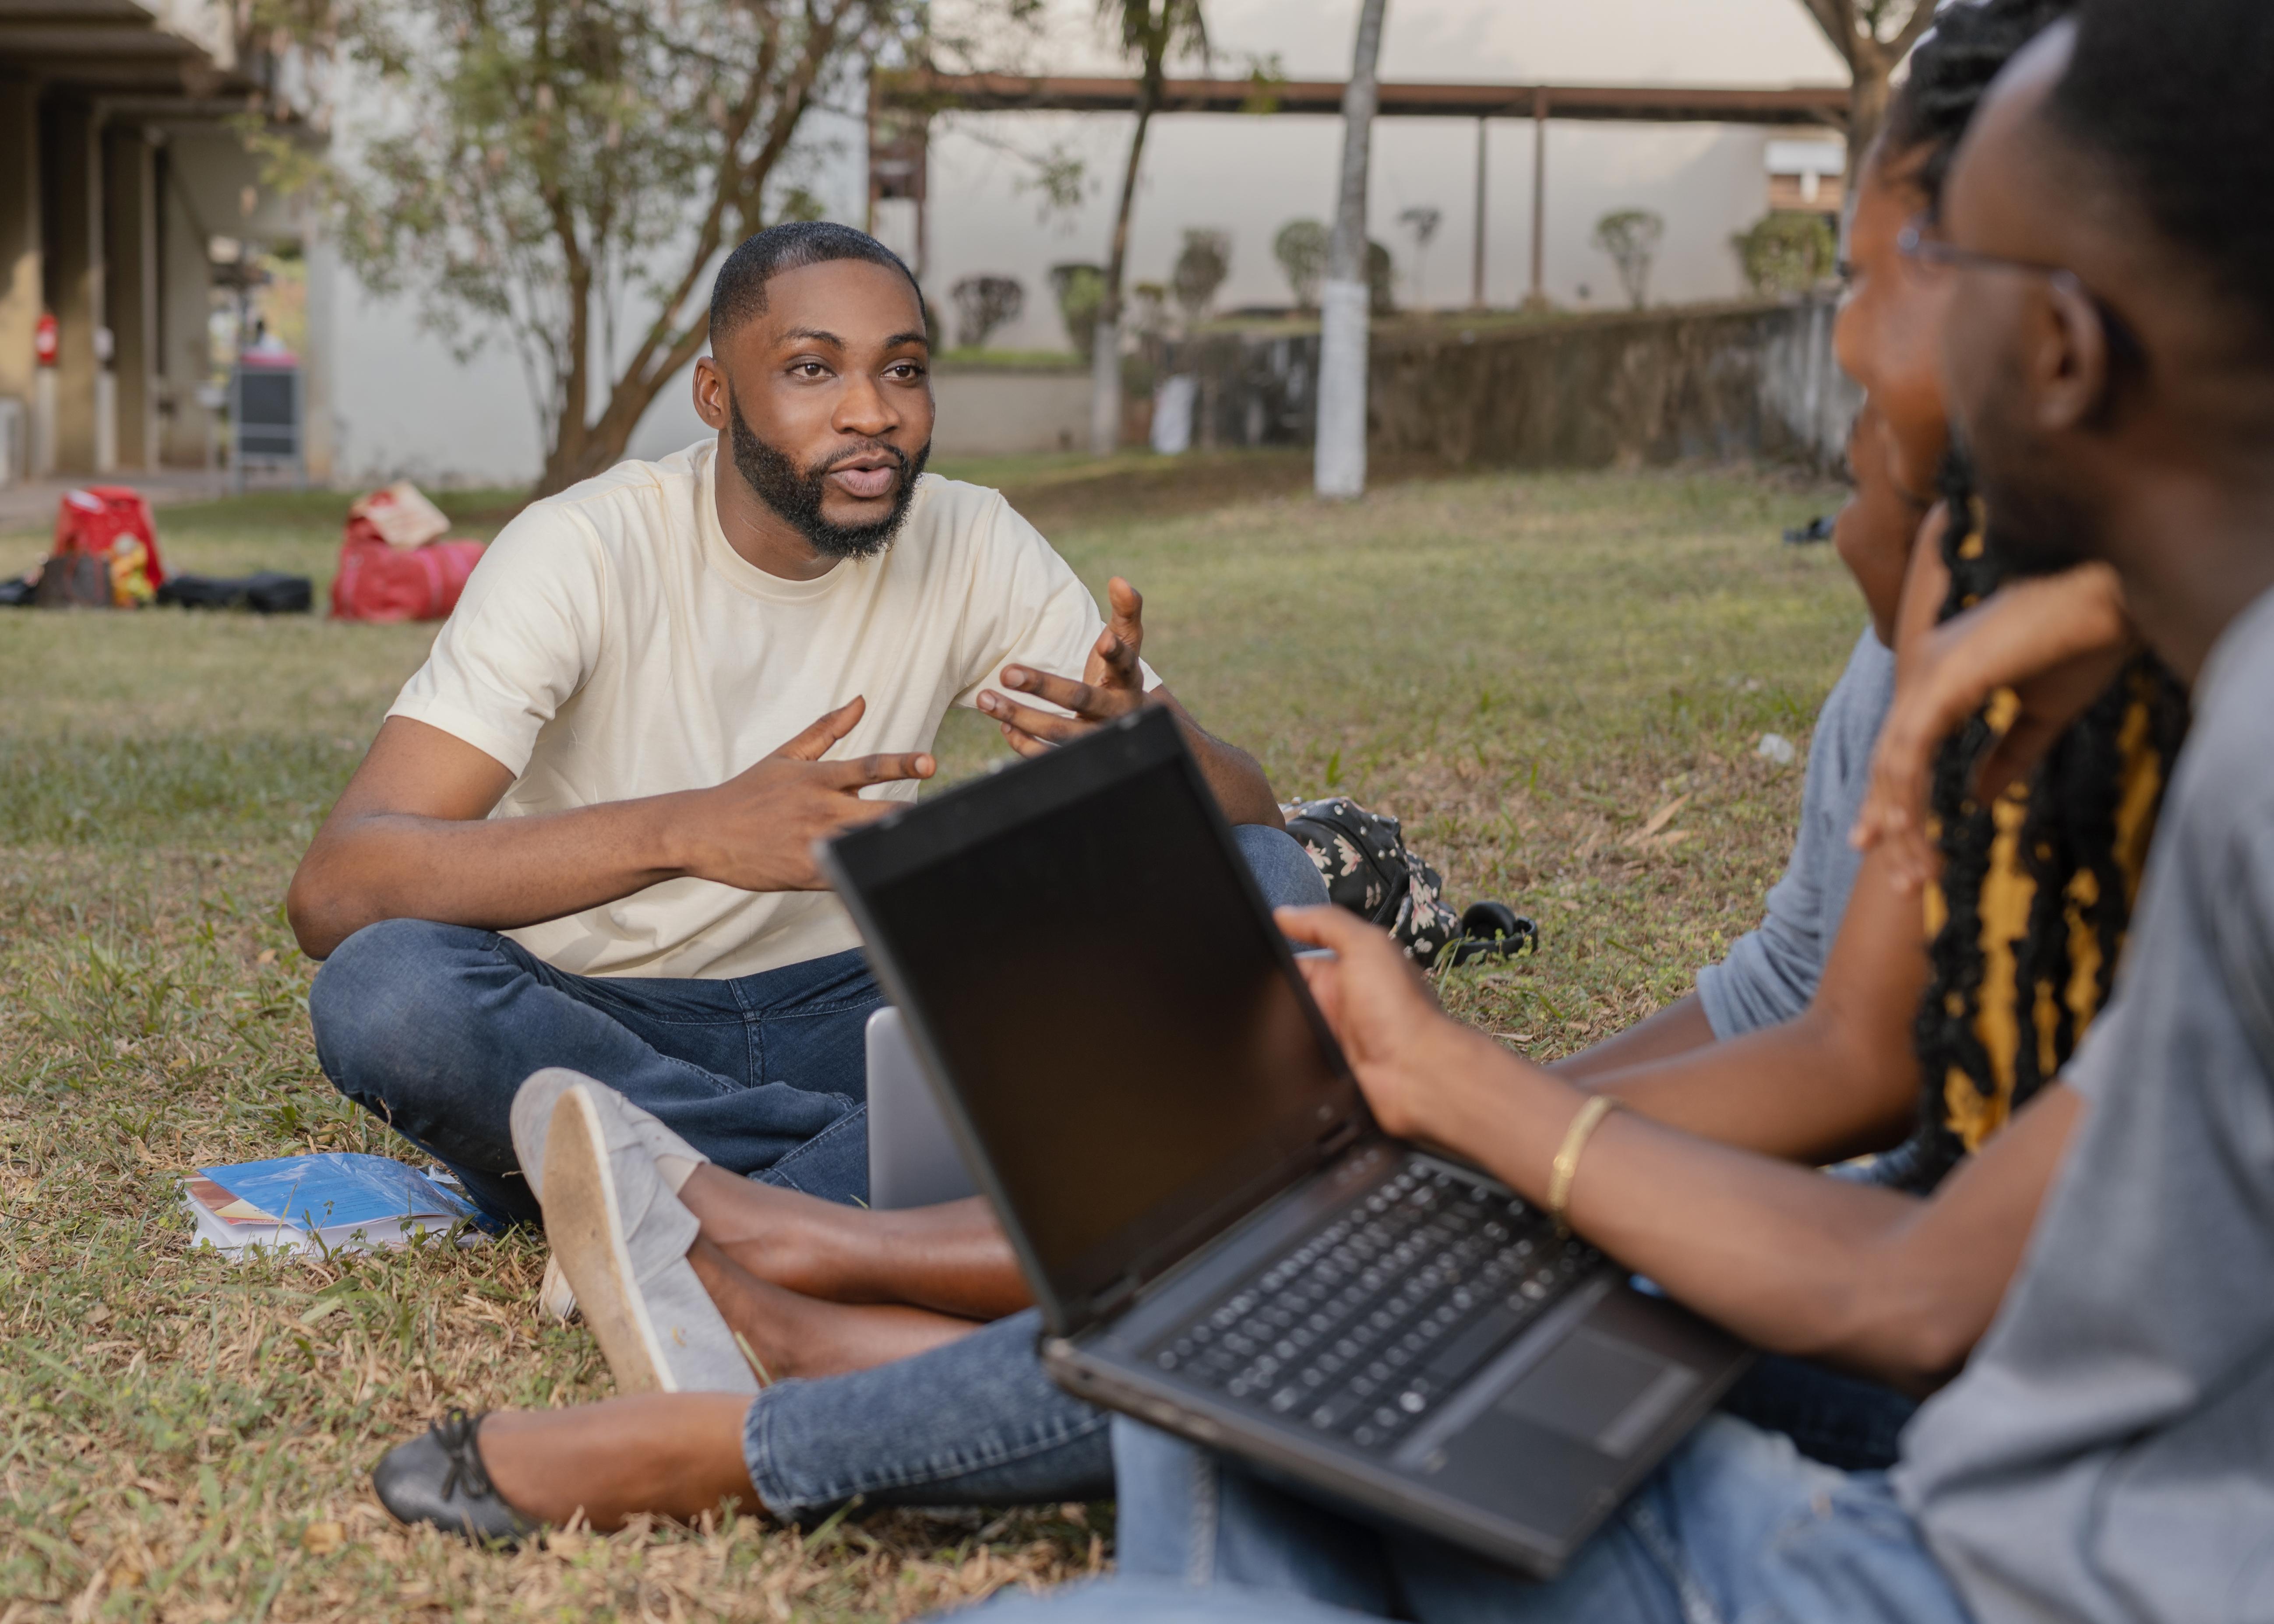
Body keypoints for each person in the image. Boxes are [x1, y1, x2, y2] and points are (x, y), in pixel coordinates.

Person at [961, 4, 2274, 1619]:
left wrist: (1449, 1085)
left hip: (1894, 1580)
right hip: (1898, 1522)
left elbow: (1901, 1249)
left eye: (1921, 269)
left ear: (2062, 350)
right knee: (1287, 1322)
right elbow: (1907, 1274)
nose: (1859, 343)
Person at [287, 221, 1315, 1226]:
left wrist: (1143, 744)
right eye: (813, 371)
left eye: (903, 371)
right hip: (603, 1019)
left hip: (874, 1002)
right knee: (389, 993)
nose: (871, 411)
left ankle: (729, 1208)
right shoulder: (581, 550)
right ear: (715, 395)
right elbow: (338, 888)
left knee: (1267, 880)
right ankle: (908, 1167)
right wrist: (688, 831)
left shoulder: (973, 537)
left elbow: (1253, 817)